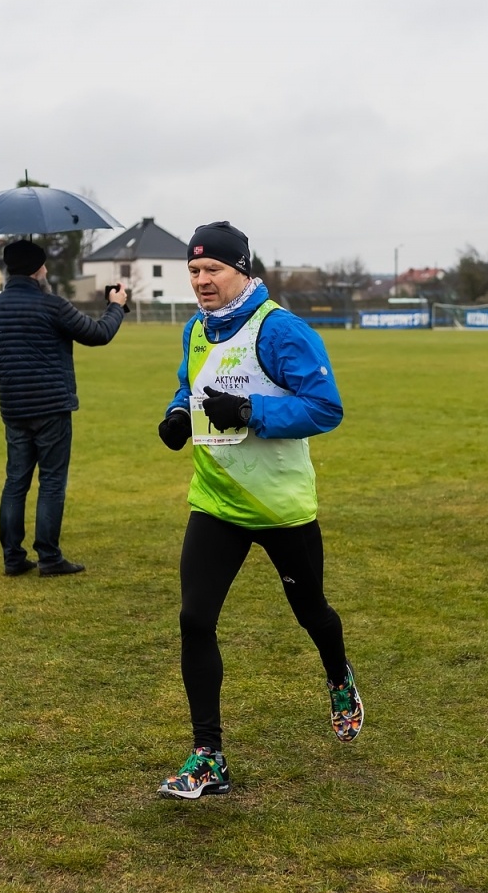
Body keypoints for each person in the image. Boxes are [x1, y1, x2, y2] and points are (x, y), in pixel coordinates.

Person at [152, 221, 356, 800]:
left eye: (212, 269)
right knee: (195, 620)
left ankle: (339, 677)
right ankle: (208, 756)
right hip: (215, 502)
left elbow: (325, 408)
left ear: (242, 268)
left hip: (280, 506)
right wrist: (175, 415)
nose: (201, 281)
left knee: (311, 610)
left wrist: (250, 413)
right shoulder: (196, 329)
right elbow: (190, 387)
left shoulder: (280, 330)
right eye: (193, 271)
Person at [0, 238, 128, 576]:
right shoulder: (52, 306)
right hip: (52, 406)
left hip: (14, 407)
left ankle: (13, 558)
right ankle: (49, 556)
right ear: (36, 270)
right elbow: (99, 333)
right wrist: (116, 305)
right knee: (52, 481)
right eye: (44, 266)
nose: (46, 272)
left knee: (15, 481)